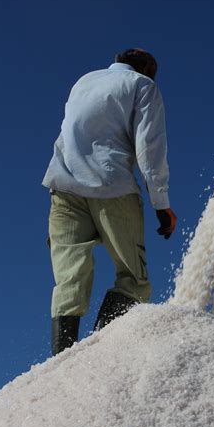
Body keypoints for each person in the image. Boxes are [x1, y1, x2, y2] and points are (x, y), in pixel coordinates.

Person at [42, 48, 177, 355]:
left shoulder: (84, 81)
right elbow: (149, 148)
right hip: (111, 186)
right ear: (147, 71)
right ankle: (98, 355)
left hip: (63, 187)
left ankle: (60, 360)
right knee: (134, 280)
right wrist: (162, 204)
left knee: (69, 280)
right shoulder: (142, 86)